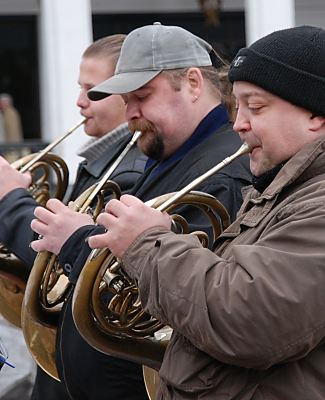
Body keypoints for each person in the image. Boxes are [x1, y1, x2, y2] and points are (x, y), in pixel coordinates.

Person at [65, 25, 325, 399]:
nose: (239, 123)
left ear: (315, 113)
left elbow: (248, 321)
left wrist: (146, 242)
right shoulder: (277, 188)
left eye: (256, 107)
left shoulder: (314, 202)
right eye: (239, 106)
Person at [30, 22, 251, 399]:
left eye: (142, 96)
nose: (129, 112)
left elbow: (185, 297)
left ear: (194, 83)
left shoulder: (221, 171)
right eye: (126, 99)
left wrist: (77, 242)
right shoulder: (170, 151)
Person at [0, 35, 147, 399]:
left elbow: (65, 263)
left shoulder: (130, 171)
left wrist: (11, 200)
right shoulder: (101, 163)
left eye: (93, 92)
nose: (80, 102)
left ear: (128, 95)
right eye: (80, 89)